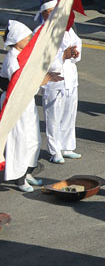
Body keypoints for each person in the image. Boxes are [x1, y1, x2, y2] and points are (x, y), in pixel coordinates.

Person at [1, 21, 62, 192]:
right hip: (15, 103)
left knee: (32, 138)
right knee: (19, 140)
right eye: (26, 37)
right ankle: (18, 179)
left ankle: (27, 171)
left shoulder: (23, 54)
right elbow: (17, 86)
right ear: (16, 39)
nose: (29, 39)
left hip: (26, 102)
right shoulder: (12, 58)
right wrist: (40, 81)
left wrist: (46, 76)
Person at [38, 0, 83, 165]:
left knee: (69, 114)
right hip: (53, 81)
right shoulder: (41, 32)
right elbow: (41, 60)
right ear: (43, 14)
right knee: (53, 116)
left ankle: (67, 146)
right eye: (50, 12)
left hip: (70, 78)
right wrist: (63, 55)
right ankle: (55, 150)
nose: (53, 15)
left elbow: (77, 43)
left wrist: (75, 53)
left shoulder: (67, 29)